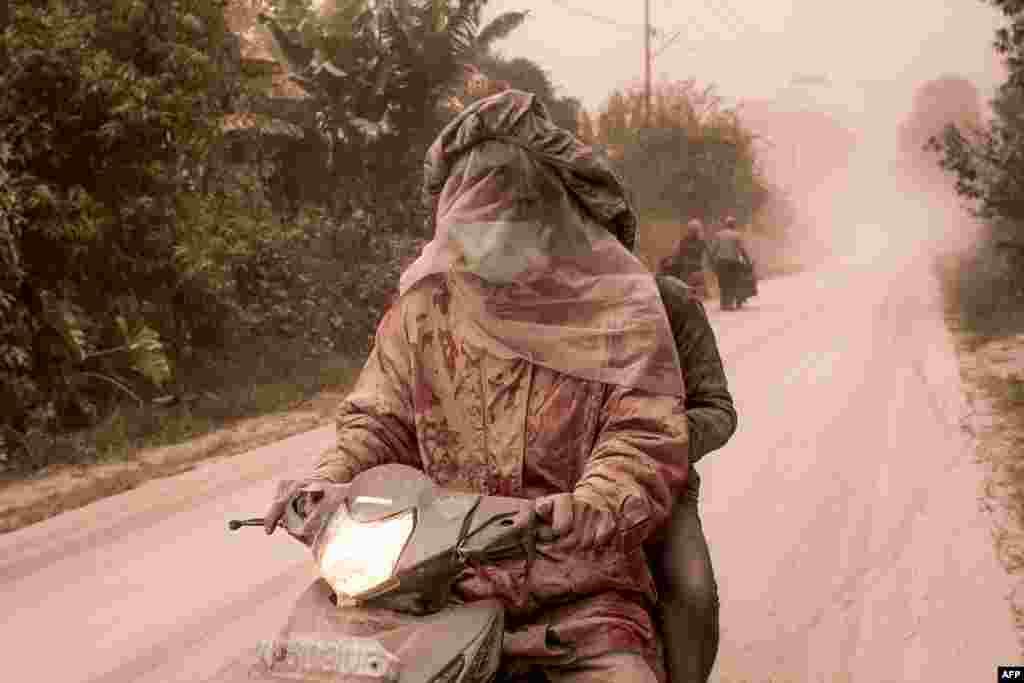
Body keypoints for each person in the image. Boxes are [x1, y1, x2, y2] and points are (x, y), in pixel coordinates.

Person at [266, 89, 691, 683]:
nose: (486, 242)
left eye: (505, 221)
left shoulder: (619, 309)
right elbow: (378, 421)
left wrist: (589, 505)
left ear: (547, 217)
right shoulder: (425, 309)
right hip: (429, 584)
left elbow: (643, 433)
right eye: (472, 224)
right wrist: (329, 479)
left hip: (575, 592)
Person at [649, 274, 736, 683]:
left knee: (692, 595)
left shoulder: (667, 299)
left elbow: (717, 410)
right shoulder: (518, 302)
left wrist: (648, 446)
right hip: (536, 497)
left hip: (656, 489)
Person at [708, 216, 754, 311]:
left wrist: (711, 262)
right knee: (732, 282)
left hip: (721, 262)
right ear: (734, 225)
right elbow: (742, 250)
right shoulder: (737, 235)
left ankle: (723, 303)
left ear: (725, 225)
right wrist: (748, 261)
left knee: (722, 282)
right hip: (733, 262)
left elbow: (713, 250)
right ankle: (729, 303)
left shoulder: (718, 235)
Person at [659, 219, 709, 298]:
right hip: (696, 269)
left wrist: (671, 260)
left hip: (687, 269)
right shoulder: (701, 241)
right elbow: (706, 255)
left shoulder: (684, 241)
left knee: (683, 286)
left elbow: (676, 253)